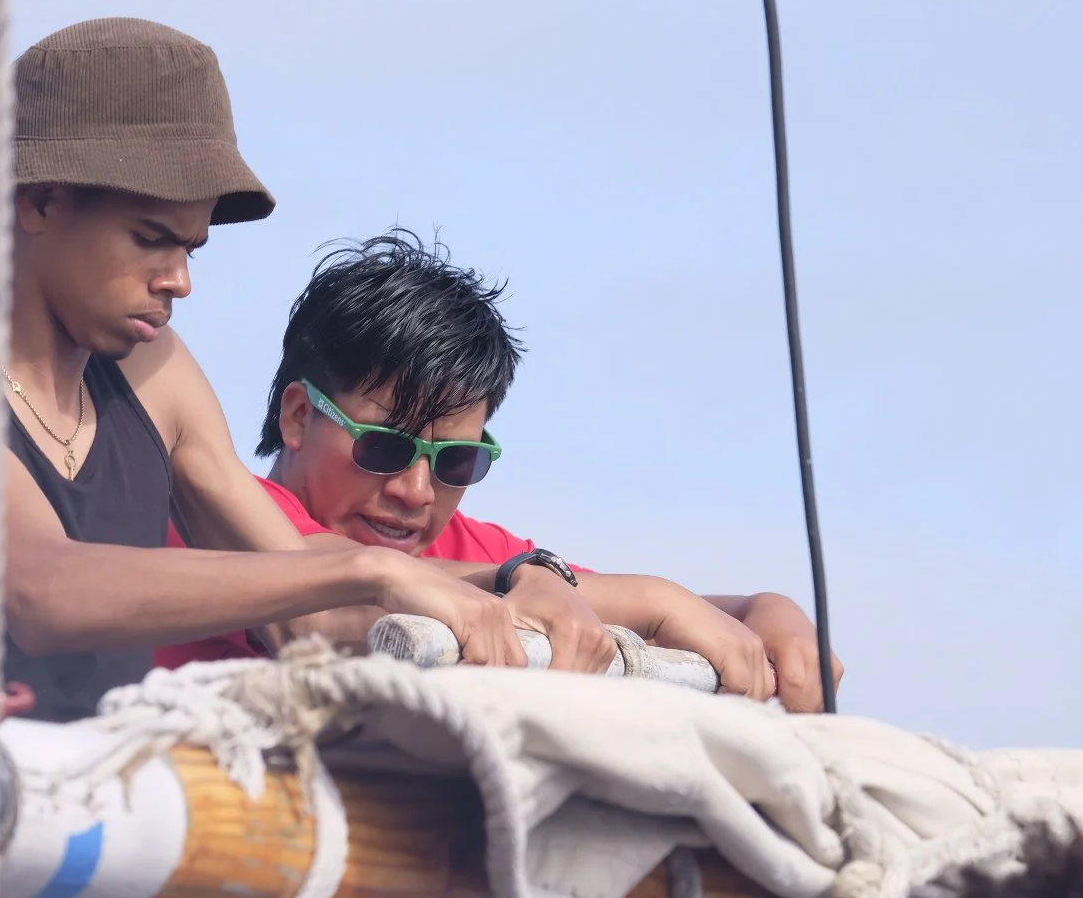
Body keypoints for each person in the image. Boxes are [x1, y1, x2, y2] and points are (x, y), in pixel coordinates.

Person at [0, 19, 555, 894]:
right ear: (40, 201)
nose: (181, 280)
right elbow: (41, 592)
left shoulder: (154, 373)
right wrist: (371, 572)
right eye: (150, 238)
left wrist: (543, 586)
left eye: (191, 247)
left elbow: (304, 610)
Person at [158, 231, 846, 712]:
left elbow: (618, 610)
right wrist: (646, 596)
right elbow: (322, 584)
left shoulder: (483, 555)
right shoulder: (208, 512)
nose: (414, 492)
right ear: (298, 416)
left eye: (456, 461)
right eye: (384, 449)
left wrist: (764, 611)